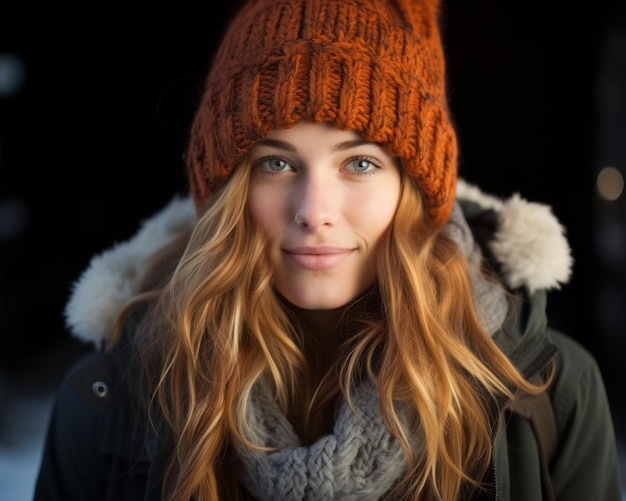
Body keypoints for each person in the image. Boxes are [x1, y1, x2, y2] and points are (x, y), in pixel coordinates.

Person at [34, 0, 623, 499]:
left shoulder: (547, 392)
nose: (314, 209)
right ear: (227, 191)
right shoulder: (115, 402)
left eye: (360, 162)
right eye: (276, 163)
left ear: (412, 191)